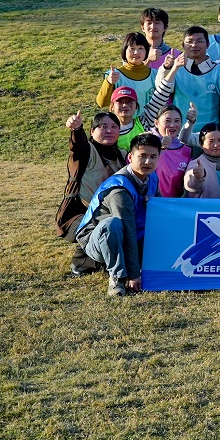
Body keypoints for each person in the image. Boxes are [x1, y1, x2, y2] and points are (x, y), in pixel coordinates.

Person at [73, 133, 160, 297]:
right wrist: (134, 274)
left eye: (153, 157)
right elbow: (128, 229)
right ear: (130, 157)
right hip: (97, 240)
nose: (148, 162)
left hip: (130, 232)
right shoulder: (119, 189)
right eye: (142, 156)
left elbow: (158, 210)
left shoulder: (152, 177)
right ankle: (117, 278)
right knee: (112, 224)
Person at [58, 109, 127, 274]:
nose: (109, 130)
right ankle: (82, 262)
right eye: (103, 126)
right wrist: (77, 129)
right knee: (102, 229)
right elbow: (78, 146)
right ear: (92, 131)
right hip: (82, 214)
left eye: (114, 126)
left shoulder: (123, 154)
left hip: (113, 212)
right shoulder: (87, 151)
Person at [169, 26, 220, 130]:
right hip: (179, 133)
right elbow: (161, 90)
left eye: (199, 41)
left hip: (210, 134)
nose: (194, 45)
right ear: (183, 45)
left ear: (208, 44)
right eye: (189, 41)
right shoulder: (175, 70)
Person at [97, 32, 160, 115]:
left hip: (150, 122)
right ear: (124, 51)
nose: (136, 52)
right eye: (132, 48)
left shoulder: (155, 74)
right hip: (123, 122)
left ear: (146, 51)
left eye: (140, 48)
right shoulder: (114, 75)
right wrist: (108, 82)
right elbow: (102, 103)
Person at [182, 124, 220, 200]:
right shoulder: (196, 164)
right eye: (211, 141)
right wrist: (198, 177)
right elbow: (190, 186)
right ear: (201, 144)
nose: (216, 145)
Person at [152, 106, 193, 198]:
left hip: (176, 204)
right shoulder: (146, 143)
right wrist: (160, 149)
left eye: (177, 121)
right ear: (156, 123)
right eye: (167, 121)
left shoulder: (187, 151)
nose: (172, 125)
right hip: (150, 203)